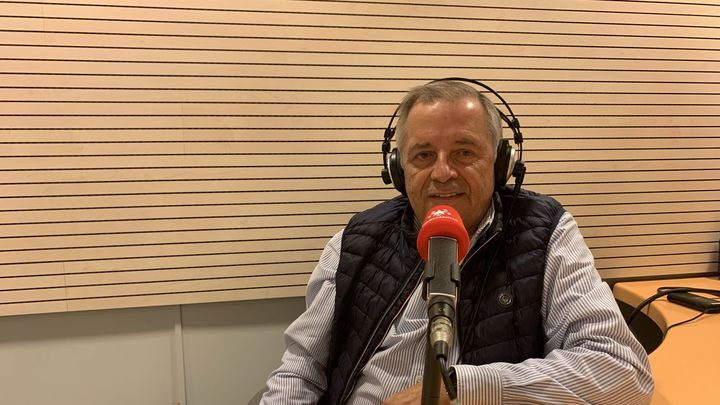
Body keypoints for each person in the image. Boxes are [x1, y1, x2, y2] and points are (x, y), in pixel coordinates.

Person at [260, 80, 654, 404]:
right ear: (398, 168)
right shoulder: (356, 241)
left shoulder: (545, 233)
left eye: (464, 152)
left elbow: (622, 371)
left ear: (500, 163)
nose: (443, 172)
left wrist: (462, 389)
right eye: (423, 155)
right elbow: (300, 373)